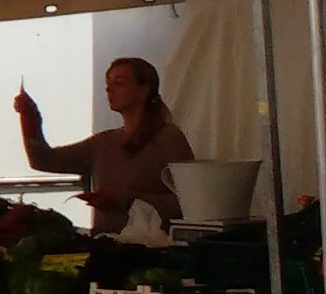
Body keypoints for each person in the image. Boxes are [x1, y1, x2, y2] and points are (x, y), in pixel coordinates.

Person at [16, 57, 193, 235]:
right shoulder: (102, 143)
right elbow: (43, 160)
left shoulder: (169, 138)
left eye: (119, 83)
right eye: (108, 84)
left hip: (153, 249)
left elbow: (189, 202)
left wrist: (129, 198)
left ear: (144, 90)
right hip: (106, 245)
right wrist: (30, 118)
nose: (109, 89)